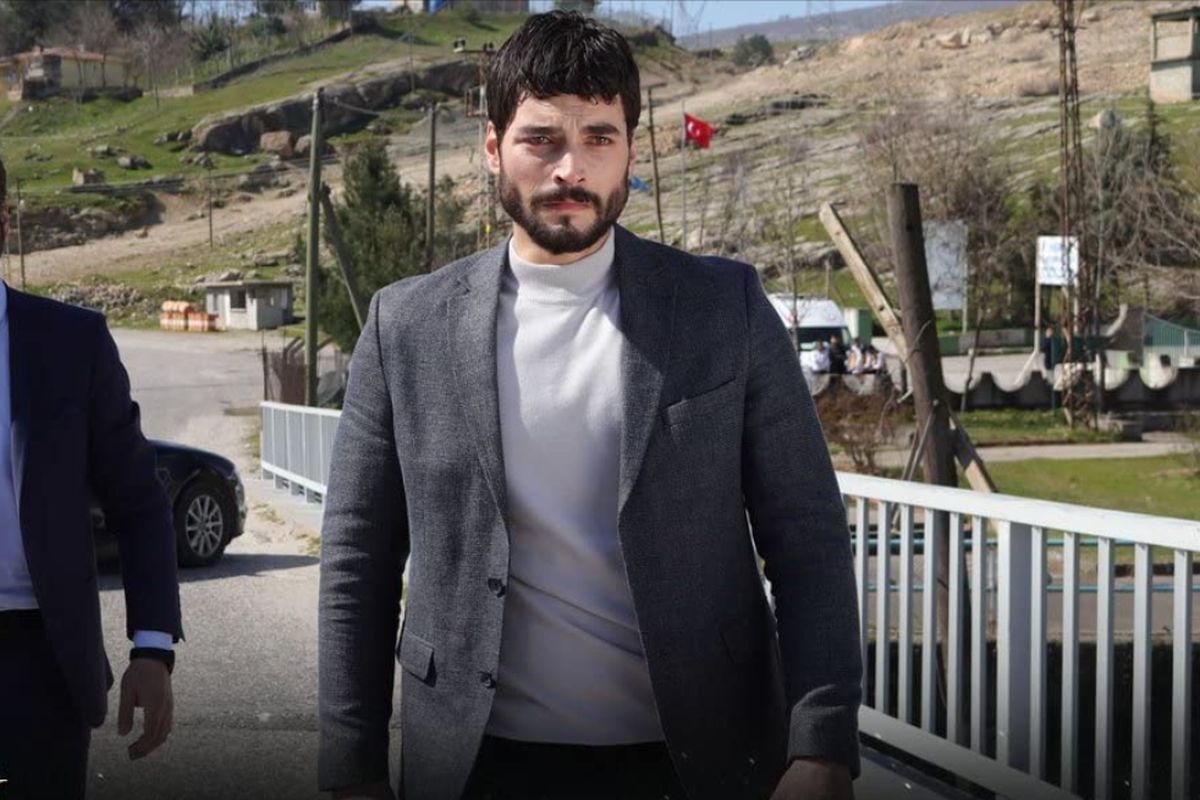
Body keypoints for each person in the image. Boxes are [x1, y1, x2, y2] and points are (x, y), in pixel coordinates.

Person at [317, 12, 861, 800]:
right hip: (476, 764)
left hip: (697, 761)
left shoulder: (725, 309)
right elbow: (358, 560)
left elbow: (808, 536)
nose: (571, 168)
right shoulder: (405, 325)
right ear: (493, 147)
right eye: (542, 139)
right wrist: (352, 769)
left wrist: (823, 746)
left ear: (631, 152)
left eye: (599, 137)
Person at [0, 154, 181, 799]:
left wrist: (152, 648)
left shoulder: (71, 344)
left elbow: (138, 503)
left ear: (2, 222)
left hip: (39, 665)